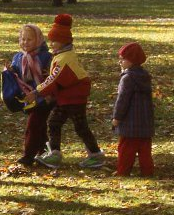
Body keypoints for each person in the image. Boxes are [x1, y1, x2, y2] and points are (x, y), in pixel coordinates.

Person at [25, 14, 105, 169]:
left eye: (54, 41)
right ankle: (62, 154)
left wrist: (36, 92)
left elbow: (53, 79)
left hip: (73, 98)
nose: (51, 44)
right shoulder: (62, 55)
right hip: (68, 97)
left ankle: (91, 155)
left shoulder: (64, 59)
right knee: (64, 124)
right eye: (50, 40)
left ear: (64, 41)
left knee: (69, 125)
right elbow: (57, 81)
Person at [4, 24, 54, 166]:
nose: (25, 42)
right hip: (28, 98)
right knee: (39, 126)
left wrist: (48, 73)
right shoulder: (18, 57)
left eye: (29, 40)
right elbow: (17, 74)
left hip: (44, 97)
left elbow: (53, 74)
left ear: (38, 40)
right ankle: (44, 152)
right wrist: (10, 71)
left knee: (33, 124)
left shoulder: (46, 56)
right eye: (23, 39)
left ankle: (28, 156)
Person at [112, 42, 155, 176]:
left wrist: (117, 118)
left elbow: (122, 100)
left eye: (123, 59)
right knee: (144, 150)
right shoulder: (144, 76)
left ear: (131, 61)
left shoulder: (127, 78)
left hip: (130, 122)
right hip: (145, 122)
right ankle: (147, 171)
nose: (120, 62)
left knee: (126, 149)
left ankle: (123, 171)